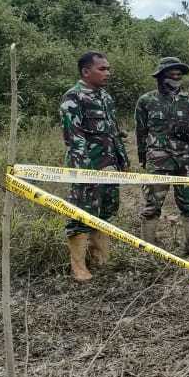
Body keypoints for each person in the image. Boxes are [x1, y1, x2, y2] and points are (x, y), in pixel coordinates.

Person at [59, 51, 130, 281]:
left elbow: (113, 133)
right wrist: (84, 172)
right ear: (85, 71)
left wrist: (123, 162)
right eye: (102, 69)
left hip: (109, 166)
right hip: (87, 167)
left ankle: (100, 258)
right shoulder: (73, 97)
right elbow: (74, 137)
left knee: (107, 210)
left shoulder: (106, 97)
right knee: (82, 214)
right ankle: (78, 266)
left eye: (108, 68)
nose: (107, 73)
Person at [135, 57, 189, 258]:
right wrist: (144, 158)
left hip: (186, 162)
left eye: (179, 74)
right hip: (158, 161)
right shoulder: (146, 101)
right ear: (160, 76)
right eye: (172, 74)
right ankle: (149, 249)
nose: (176, 77)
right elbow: (140, 132)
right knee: (152, 204)